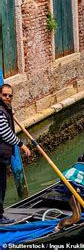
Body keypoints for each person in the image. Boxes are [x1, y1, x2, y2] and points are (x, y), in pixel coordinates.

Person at [0, 84, 31, 224]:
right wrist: (21, 144)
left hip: (2, 156)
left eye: (10, 95)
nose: (7, 97)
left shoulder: (5, 109)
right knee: (0, 186)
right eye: (4, 95)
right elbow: (5, 133)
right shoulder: (0, 111)